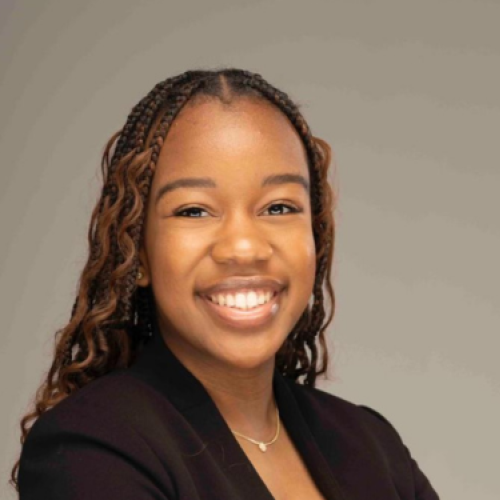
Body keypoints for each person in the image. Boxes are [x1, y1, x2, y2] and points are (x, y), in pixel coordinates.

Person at [12, 68, 439, 499]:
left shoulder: (371, 446)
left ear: (316, 233)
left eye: (278, 207)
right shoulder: (92, 452)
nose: (244, 248)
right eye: (194, 211)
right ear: (136, 253)